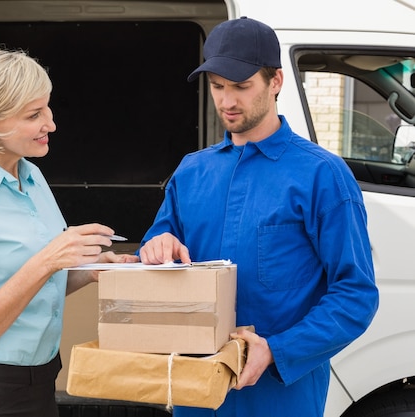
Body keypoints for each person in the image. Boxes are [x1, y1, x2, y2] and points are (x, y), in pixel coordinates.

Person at [138, 17, 379, 417]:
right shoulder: (191, 172)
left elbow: (355, 295)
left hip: (281, 397)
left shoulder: (322, 175)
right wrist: (156, 244)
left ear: (276, 82)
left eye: (241, 86)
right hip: (197, 392)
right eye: (217, 86)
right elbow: (160, 239)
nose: (227, 101)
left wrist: (277, 350)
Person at [0, 45, 138, 417]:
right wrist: (48, 260)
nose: (51, 123)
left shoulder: (31, 178)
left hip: (43, 380)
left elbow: (37, 287)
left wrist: (91, 269)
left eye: (47, 108)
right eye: (34, 114)